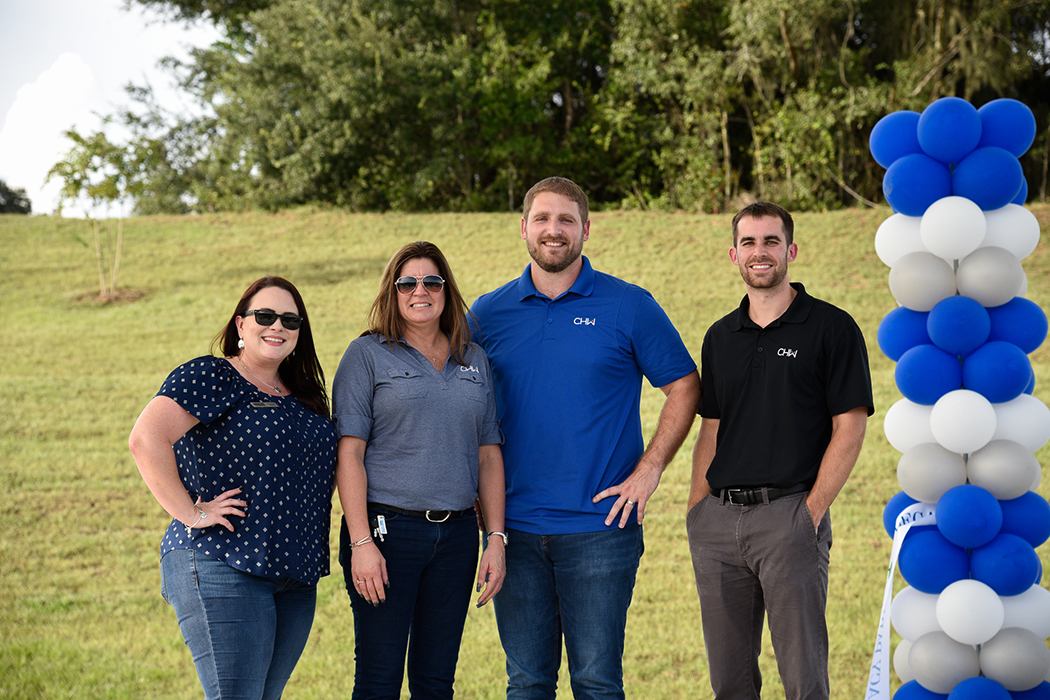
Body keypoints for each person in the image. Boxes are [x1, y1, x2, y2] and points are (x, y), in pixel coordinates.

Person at [470, 176, 701, 700]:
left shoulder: (629, 306)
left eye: (566, 220)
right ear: (524, 228)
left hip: (601, 530)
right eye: (543, 219)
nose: (555, 231)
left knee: (597, 684)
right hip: (514, 532)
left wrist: (649, 470)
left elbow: (684, 386)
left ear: (586, 229)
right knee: (526, 684)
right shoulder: (487, 314)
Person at [687, 201, 874, 700]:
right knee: (729, 682)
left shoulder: (832, 328)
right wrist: (696, 509)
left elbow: (850, 429)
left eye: (771, 241)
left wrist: (809, 514)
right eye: (748, 242)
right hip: (718, 524)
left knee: (803, 680)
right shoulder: (720, 336)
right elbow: (711, 429)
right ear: (734, 255)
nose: (760, 252)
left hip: (789, 518)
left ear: (790, 250)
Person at [128, 276, 338, 700]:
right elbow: (146, 439)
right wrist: (192, 513)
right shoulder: (213, 374)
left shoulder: (305, 398)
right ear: (240, 325)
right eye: (265, 315)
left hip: (295, 575)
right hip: (222, 561)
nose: (277, 325)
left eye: (290, 319)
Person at [331, 240, 506, 700]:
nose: (419, 290)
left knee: (436, 682)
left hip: (457, 538)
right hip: (387, 535)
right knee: (378, 679)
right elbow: (348, 454)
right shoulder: (367, 355)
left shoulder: (474, 360)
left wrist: (496, 538)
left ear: (446, 290)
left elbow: (489, 454)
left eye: (431, 281)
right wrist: (361, 541)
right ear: (393, 291)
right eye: (407, 282)